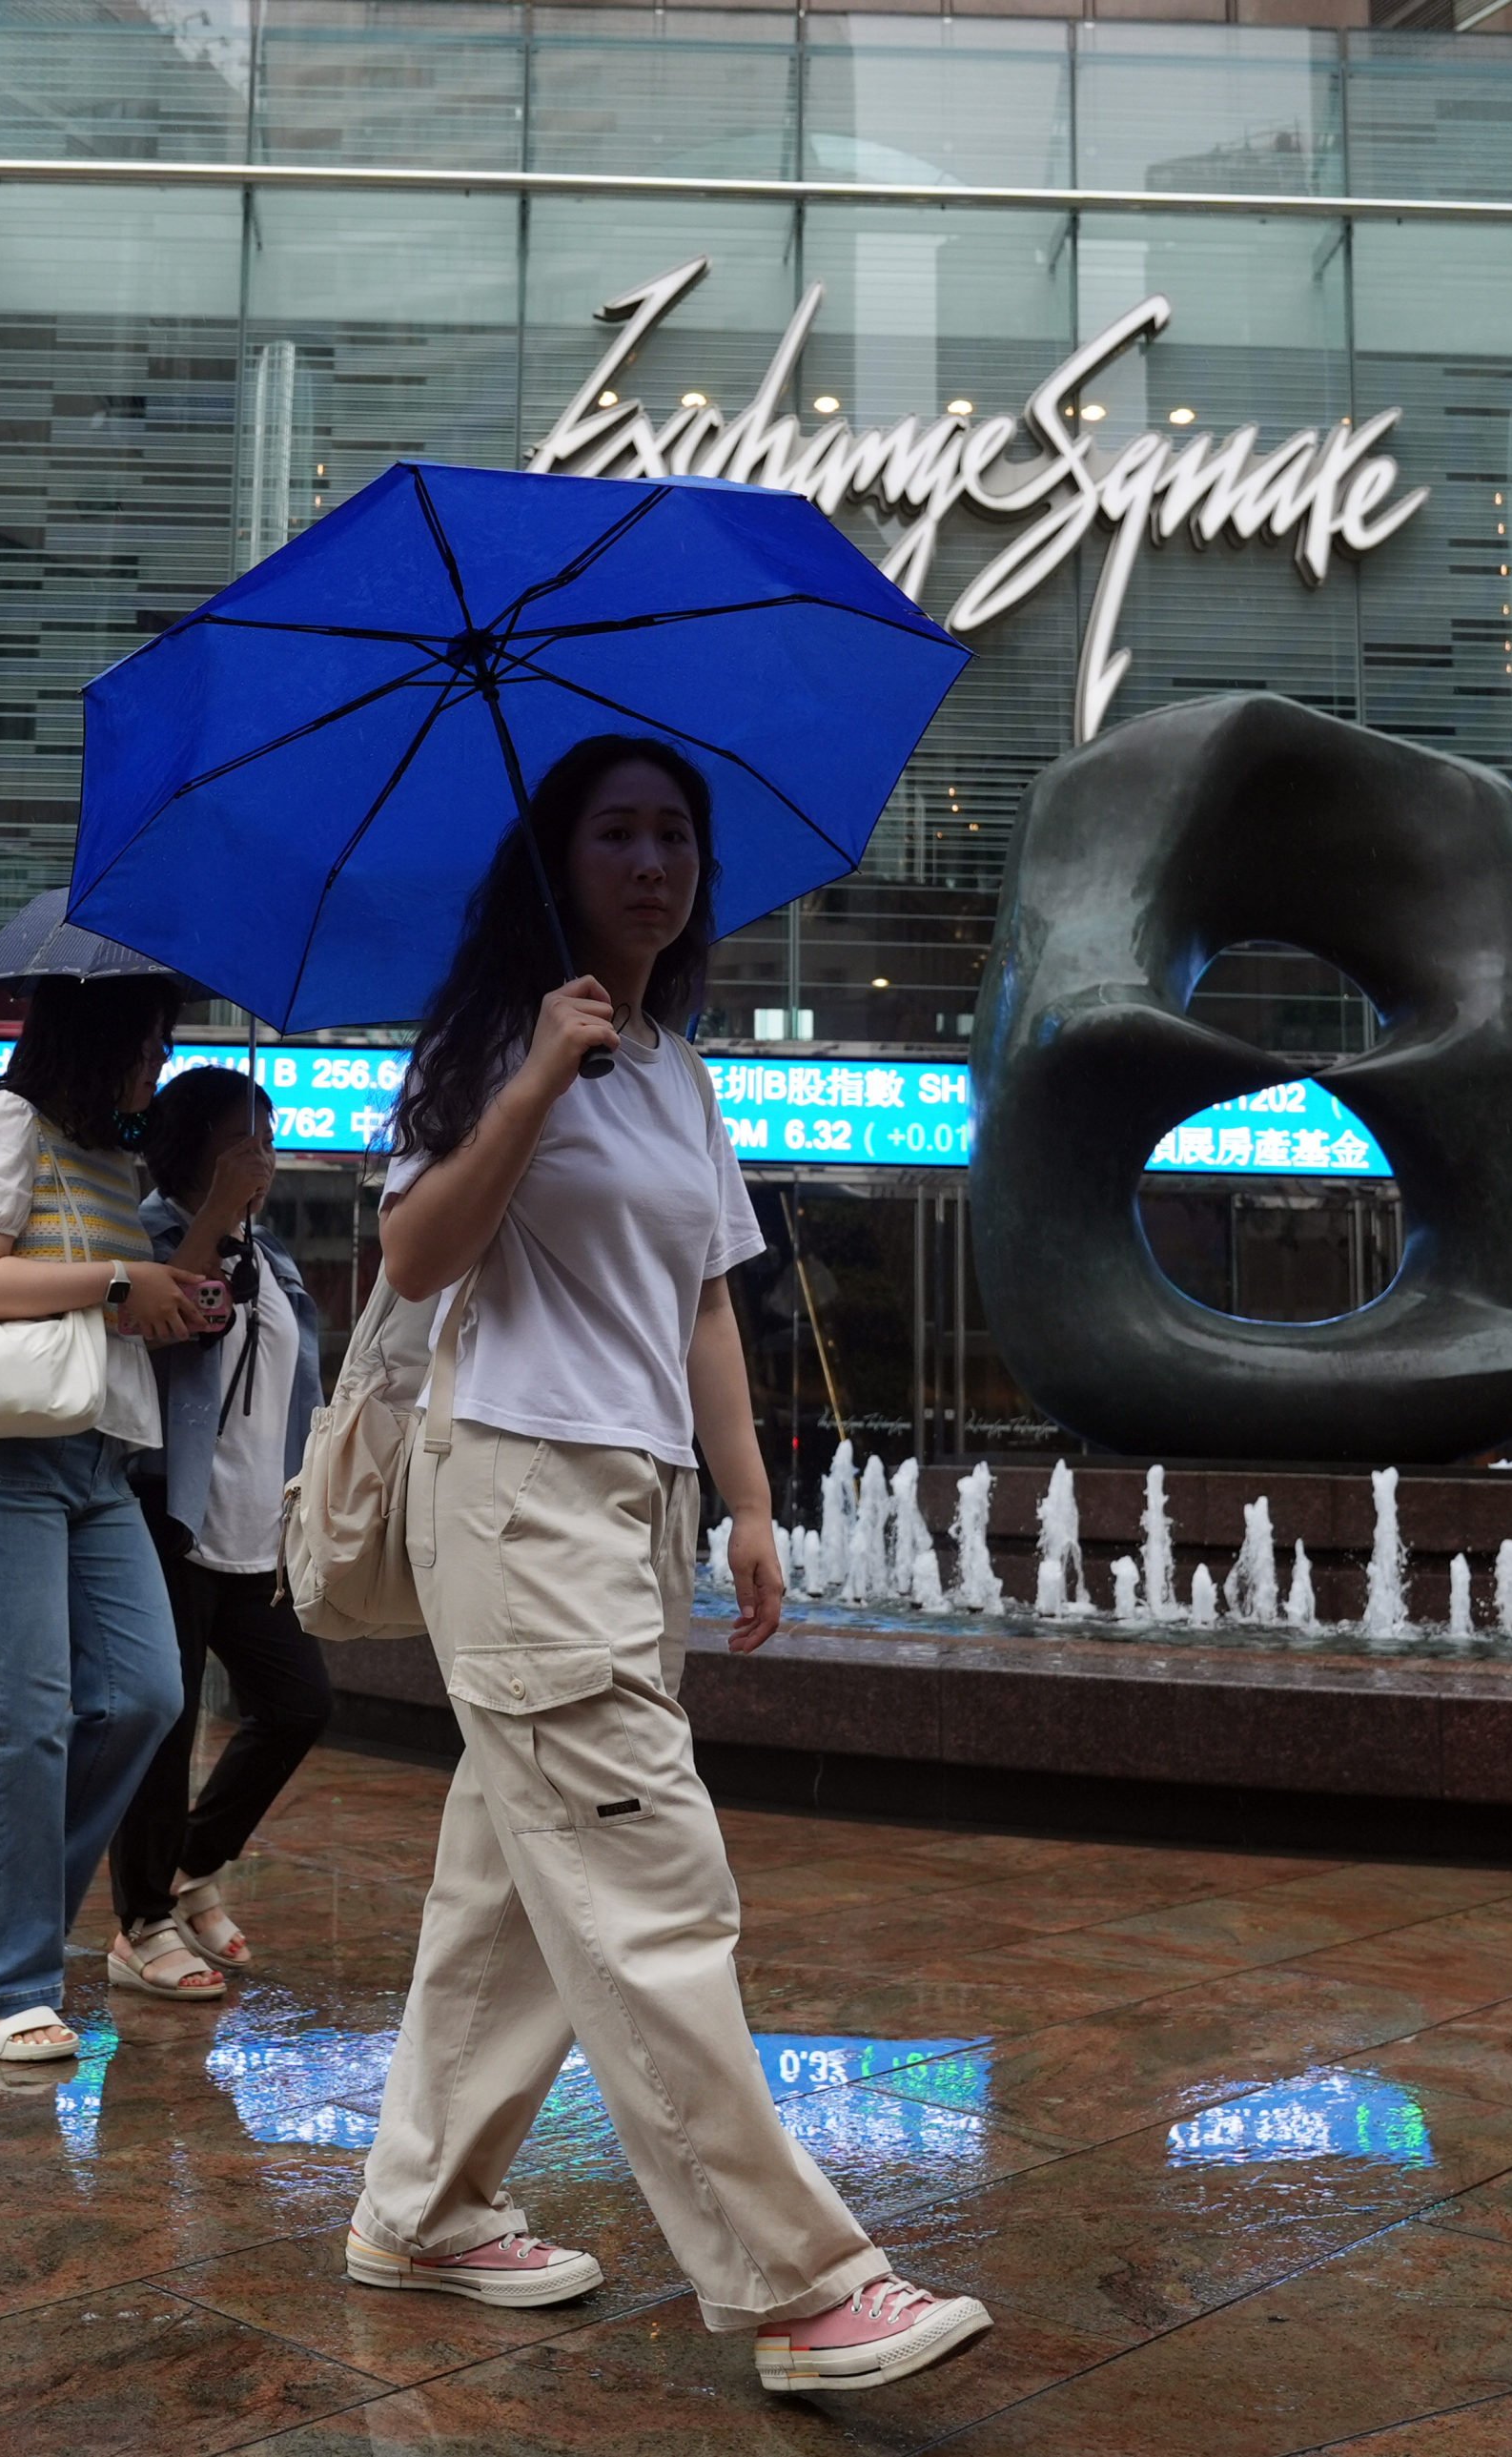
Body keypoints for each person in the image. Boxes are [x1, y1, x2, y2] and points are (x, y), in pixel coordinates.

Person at [343, 732, 993, 2396]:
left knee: (508, 1882)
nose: (654, 861)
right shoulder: (497, 1037)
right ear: (556, 860)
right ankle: (797, 2281)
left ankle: (419, 2206)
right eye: (618, 832)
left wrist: (752, 1499)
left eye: (677, 835)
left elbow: (706, 1299)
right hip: (512, 1486)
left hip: (631, 1506)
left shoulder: (681, 1069)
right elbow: (415, 1254)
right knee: (647, 1876)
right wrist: (535, 1078)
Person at [0, 971, 230, 2062]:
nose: (157, 1063)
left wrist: (165, 1298)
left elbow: (99, 1306)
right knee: (24, 1713)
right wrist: (111, 1283)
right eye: (148, 1043)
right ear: (96, 1037)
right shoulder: (10, 1126)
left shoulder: (108, 1156)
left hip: (95, 1454)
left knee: (145, 1693)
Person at [98, 1062, 335, 2001]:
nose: (264, 1159)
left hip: (254, 1525)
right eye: (246, 1140)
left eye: (270, 1141)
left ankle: (188, 1867)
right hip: (170, 1511)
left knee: (298, 1704)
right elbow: (167, 1322)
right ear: (197, 1145)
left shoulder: (272, 1259)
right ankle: (141, 1921)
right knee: (167, 1719)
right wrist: (211, 1219)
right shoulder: (153, 1233)